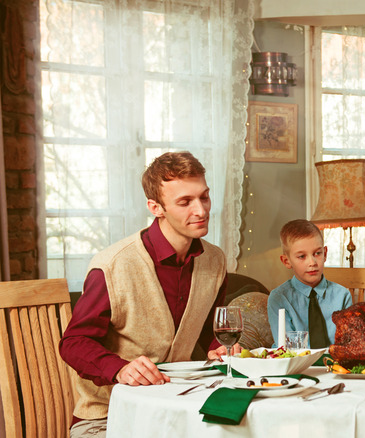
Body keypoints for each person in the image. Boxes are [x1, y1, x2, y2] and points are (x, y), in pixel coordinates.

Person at [59, 151, 238, 438]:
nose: (201, 210)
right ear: (156, 207)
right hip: (108, 417)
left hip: (179, 410)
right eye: (185, 202)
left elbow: (209, 331)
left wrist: (218, 347)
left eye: (204, 197)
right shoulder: (113, 265)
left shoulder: (214, 260)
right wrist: (120, 369)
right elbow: (74, 343)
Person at [267, 219, 353, 348]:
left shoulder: (342, 295)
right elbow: (286, 347)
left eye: (317, 253)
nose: (312, 262)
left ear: (325, 253)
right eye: (302, 256)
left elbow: (349, 342)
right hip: (294, 359)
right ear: (286, 261)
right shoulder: (279, 298)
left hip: (332, 359)